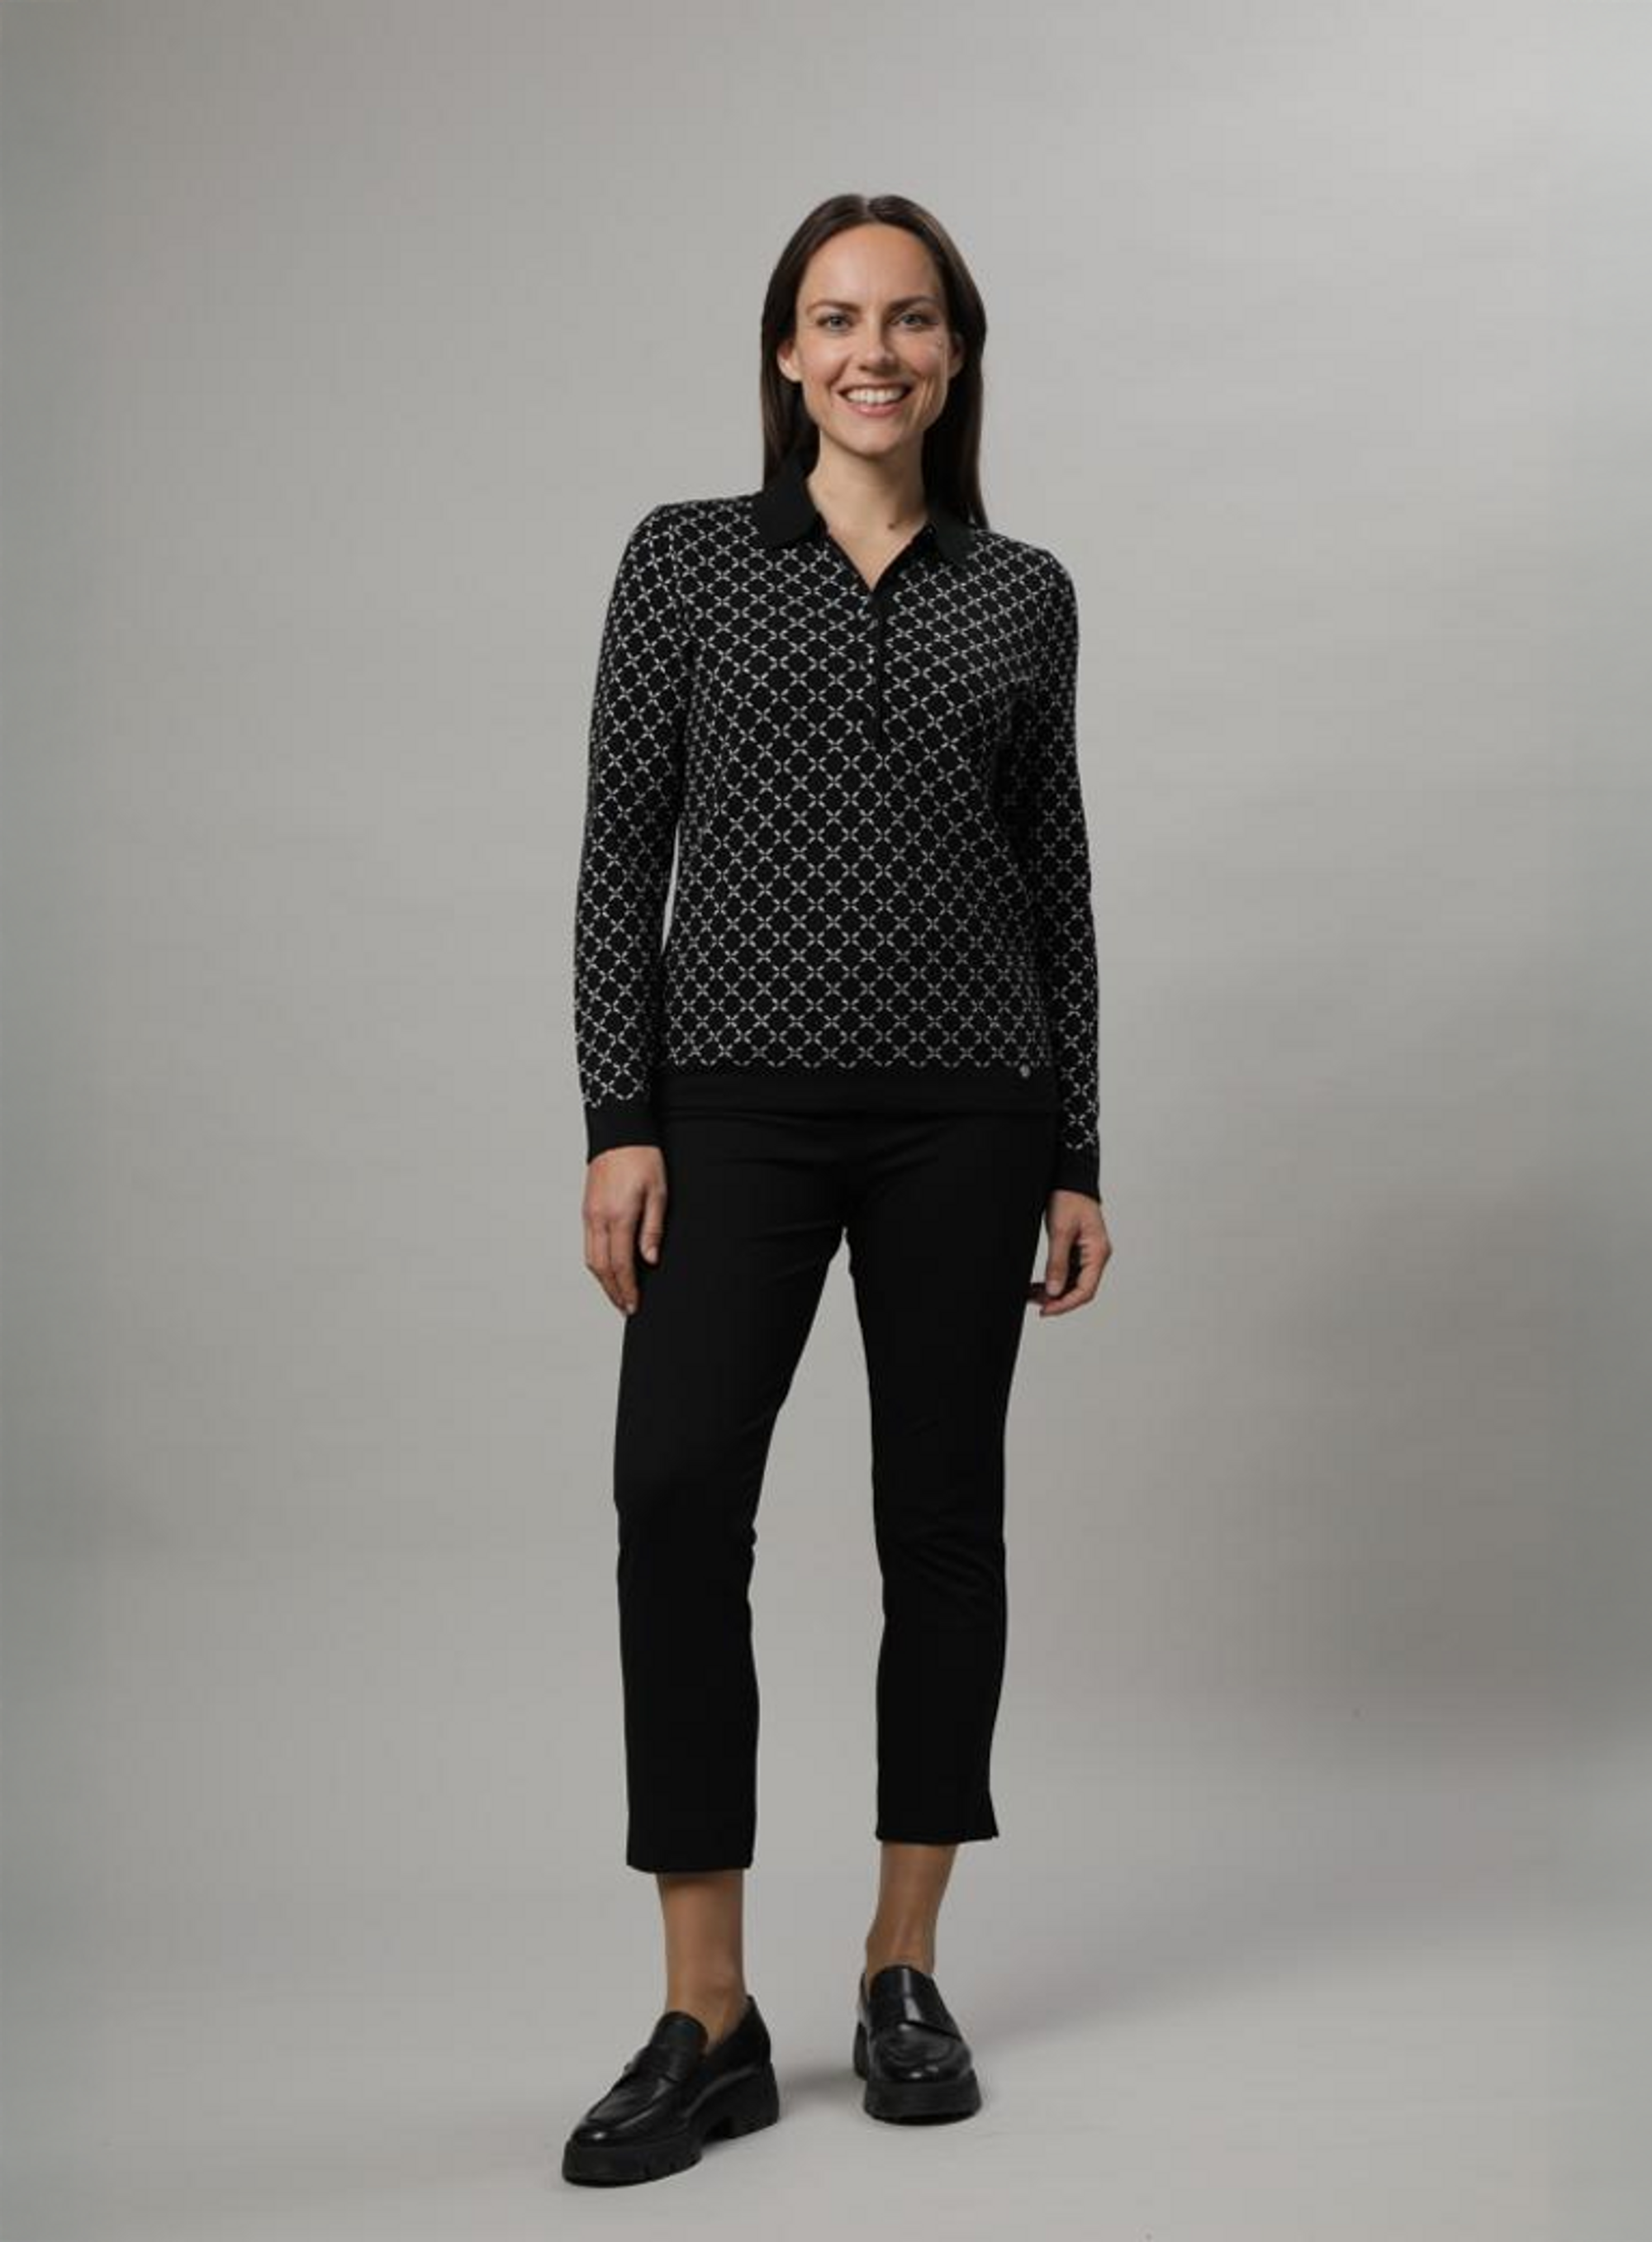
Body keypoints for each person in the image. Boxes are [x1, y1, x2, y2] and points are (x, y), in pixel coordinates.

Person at [561, 192, 1113, 2188]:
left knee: (939, 1520)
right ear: (787, 356)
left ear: (953, 356)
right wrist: (620, 1116)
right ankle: (705, 2010)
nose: (872, 350)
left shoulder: (1020, 590)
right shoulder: (687, 560)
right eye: (835, 317)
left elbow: (1053, 871)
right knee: (674, 1496)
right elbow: (621, 848)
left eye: (910, 319)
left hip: (973, 1111)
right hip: (732, 1112)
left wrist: (1077, 1146)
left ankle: (901, 1965)